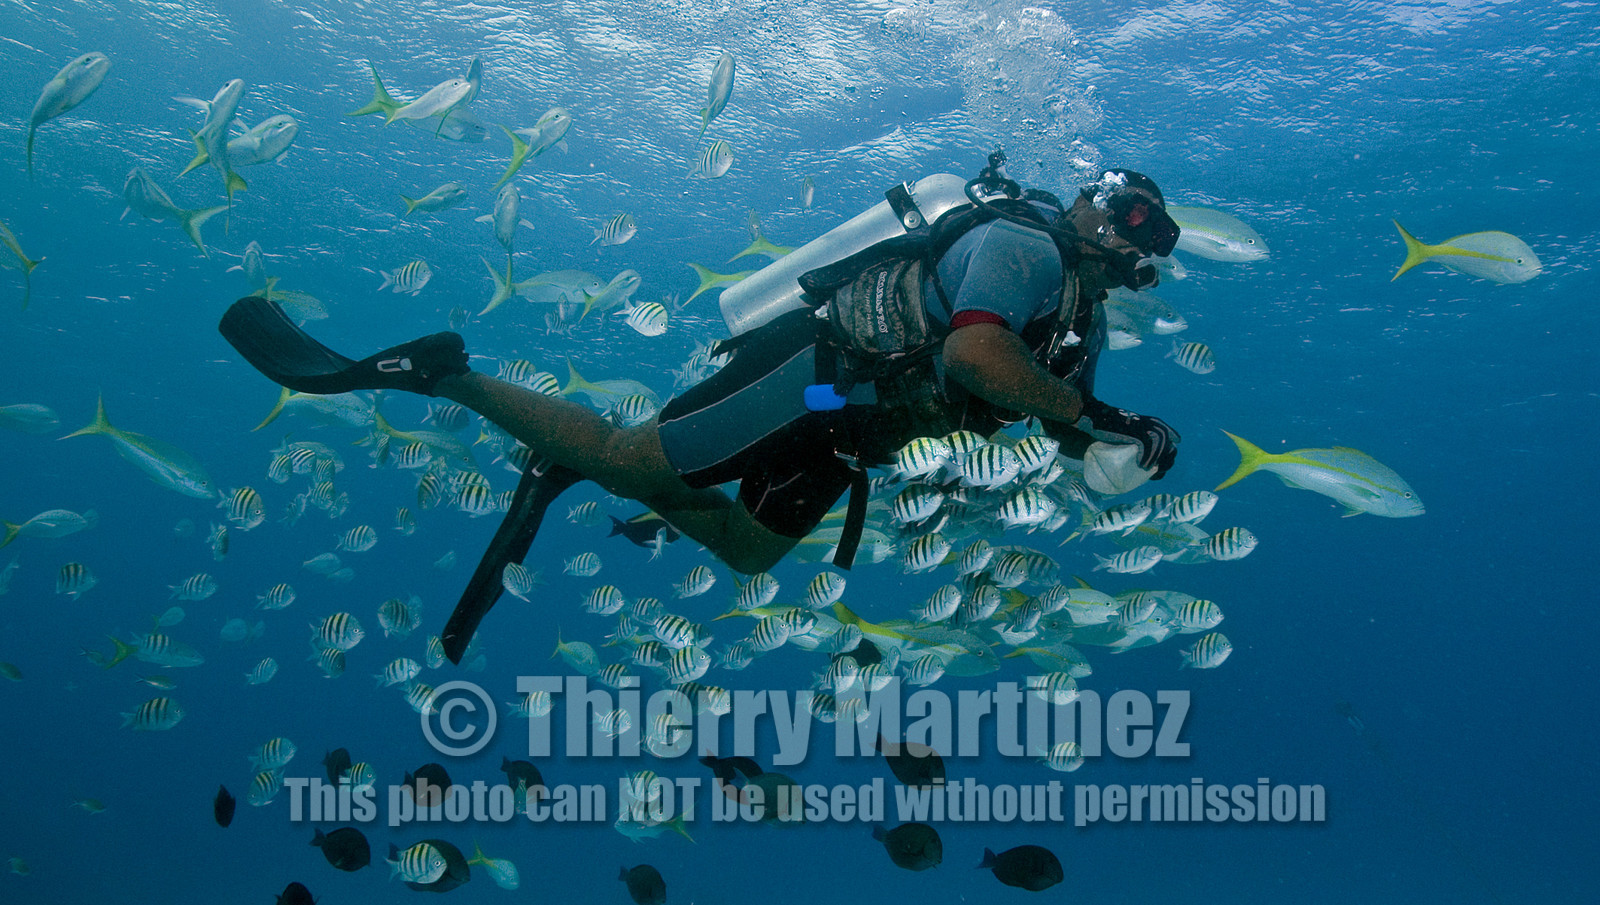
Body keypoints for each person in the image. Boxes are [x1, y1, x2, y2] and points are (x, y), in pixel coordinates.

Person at [219, 161, 1180, 580]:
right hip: (818, 376)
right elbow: (974, 351)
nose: (1131, 233)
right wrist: (1081, 404)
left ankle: (600, 460)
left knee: (749, 553)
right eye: (1125, 211)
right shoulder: (1026, 250)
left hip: (854, 426)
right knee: (635, 459)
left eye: (1150, 229)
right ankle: (440, 373)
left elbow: (1057, 416)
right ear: (1093, 211)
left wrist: (1122, 429)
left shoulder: (1074, 322)